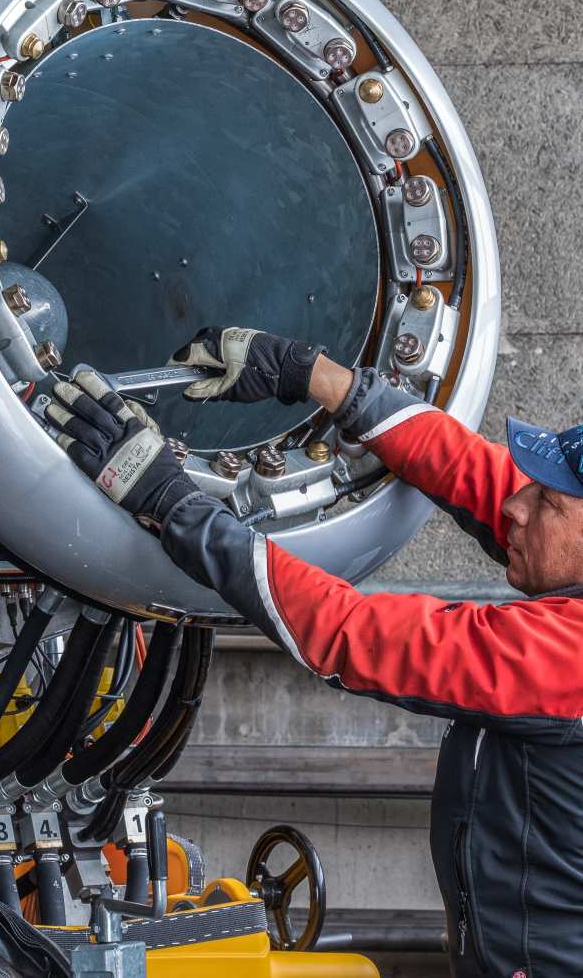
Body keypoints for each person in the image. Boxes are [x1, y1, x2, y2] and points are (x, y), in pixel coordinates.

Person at [41, 326, 583, 978]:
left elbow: (351, 633)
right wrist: (307, 373)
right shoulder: (562, 564)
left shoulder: (565, 661)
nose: (514, 507)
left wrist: (174, 505)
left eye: (544, 499)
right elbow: (474, 473)